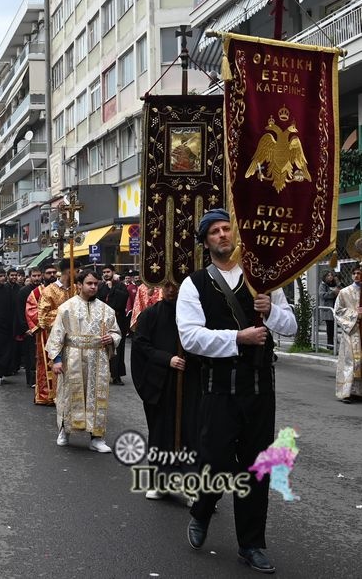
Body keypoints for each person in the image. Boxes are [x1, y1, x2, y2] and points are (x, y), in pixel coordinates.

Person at [177, 208, 296, 574]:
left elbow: (291, 327)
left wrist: (270, 310)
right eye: (215, 231)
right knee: (215, 460)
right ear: (205, 241)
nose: (223, 235)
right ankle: (201, 511)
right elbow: (190, 336)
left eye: (228, 229)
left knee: (255, 469)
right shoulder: (193, 284)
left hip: (259, 387)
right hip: (218, 386)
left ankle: (251, 544)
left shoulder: (263, 280)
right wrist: (237, 337)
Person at [130, 281, 201, 501]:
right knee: (161, 432)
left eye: (177, 286)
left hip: (190, 382)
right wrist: (167, 359)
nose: (172, 290)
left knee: (192, 432)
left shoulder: (195, 314)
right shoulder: (151, 314)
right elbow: (141, 345)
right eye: (168, 286)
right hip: (160, 384)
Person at [46, 269, 119, 453]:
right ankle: (64, 431)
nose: (93, 287)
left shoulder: (106, 310)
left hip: (98, 358)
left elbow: (116, 332)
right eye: (89, 283)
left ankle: (97, 437)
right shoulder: (66, 308)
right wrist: (56, 359)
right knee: (69, 394)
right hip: (72, 358)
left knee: (96, 396)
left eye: (96, 284)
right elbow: (56, 336)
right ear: (79, 285)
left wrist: (112, 338)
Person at [29, 261, 71, 405]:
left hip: (68, 333)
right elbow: (33, 312)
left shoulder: (70, 289)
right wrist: (59, 317)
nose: (52, 275)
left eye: (54, 272)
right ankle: (45, 395)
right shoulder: (37, 292)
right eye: (48, 273)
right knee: (45, 363)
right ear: (42, 275)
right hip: (45, 333)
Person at [97, 264, 130, 386]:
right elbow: (99, 301)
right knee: (104, 347)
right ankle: (104, 374)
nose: (106, 274)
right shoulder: (100, 286)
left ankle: (117, 375)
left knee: (118, 348)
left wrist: (112, 289)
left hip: (118, 320)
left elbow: (121, 302)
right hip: (103, 321)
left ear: (113, 272)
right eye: (104, 272)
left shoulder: (121, 286)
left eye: (108, 272)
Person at [334, 265, 362, 403]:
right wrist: (355, 315)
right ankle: (346, 392)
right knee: (350, 361)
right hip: (352, 330)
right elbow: (338, 311)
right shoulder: (344, 292)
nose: (357, 275)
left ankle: (358, 391)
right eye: (354, 273)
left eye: (359, 273)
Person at [16, 267, 43, 388]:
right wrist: (25, 328)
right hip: (29, 329)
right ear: (30, 277)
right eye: (34, 276)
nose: (37, 278)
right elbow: (19, 311)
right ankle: (31, 379)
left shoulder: (44, 290)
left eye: (38, 276)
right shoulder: (23, 291)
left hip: (42, 328)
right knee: (30, 356)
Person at [319, 270, 340, 350]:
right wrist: (332, 293)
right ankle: (330, 343)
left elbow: (341, 290)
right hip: (328, 309)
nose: (330, 277)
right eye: (328, 275)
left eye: (331, 275)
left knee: (335, 325)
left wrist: (338, 283)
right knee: (330, 326)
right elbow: (322, 295)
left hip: (336, 307)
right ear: (325, 277)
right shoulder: (323, 285)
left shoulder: (335, 284)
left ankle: (335, 340)